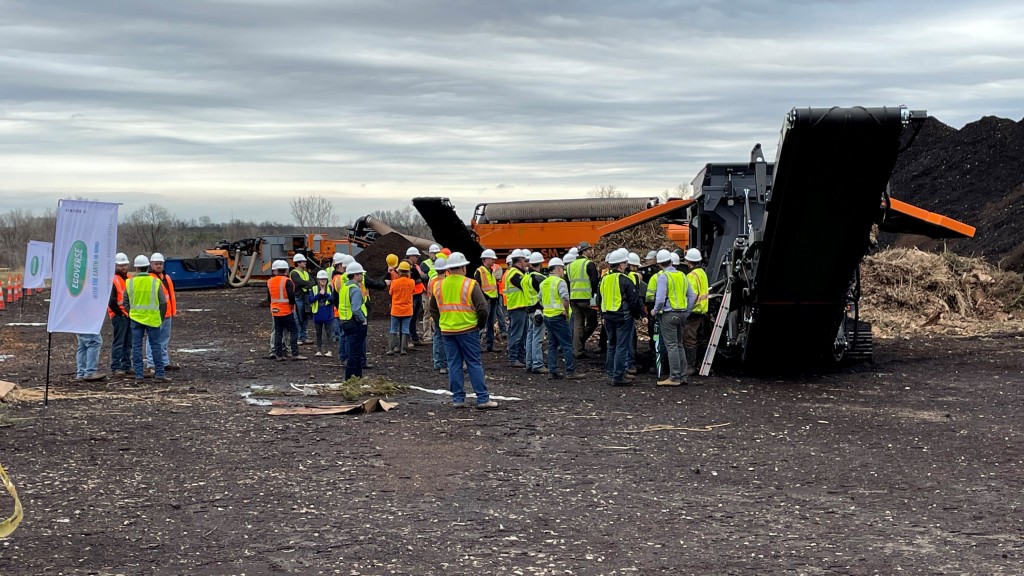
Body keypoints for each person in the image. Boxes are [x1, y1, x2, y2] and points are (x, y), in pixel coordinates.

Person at [426, 252, 497, 409]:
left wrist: (442, 323)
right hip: (468, 330)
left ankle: (458, 399)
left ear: (448, 269)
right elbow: (483, 308)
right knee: (473, 363)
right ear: (464, 267)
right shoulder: (470, 284)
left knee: (454, 364)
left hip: (447, 332)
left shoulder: (438, 285)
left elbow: (433, 308)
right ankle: (482, 398)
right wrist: (480, 325)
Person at [596, 248, 644, 386]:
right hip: (622, 317)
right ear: (621, 265)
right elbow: (634, 300)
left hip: (608, 316)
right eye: (625, 263)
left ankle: (612, 372)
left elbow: (600, 299)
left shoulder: (605, 279)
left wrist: (602, 315)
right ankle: (618, 376)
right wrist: (638, 315)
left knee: (612, 345)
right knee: (621, 346)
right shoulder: (625, 279)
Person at [652, 249, 697, 386]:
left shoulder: (663, 277)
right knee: (679, 345)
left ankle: (674, 377)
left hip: (669, 314)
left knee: (671, 346)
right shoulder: (682, 275)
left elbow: (660, 299)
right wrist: (687, 311)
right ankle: (682, 376)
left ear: (659, 264)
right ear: (671, 261)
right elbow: (692, 296)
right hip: (682, 314)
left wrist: (655, 310)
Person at [124, 255, 168, 382]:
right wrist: (160, 317)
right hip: (153, 320)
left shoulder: (129, 282)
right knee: (156, 346)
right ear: (148, 266)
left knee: (136, 347)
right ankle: (159, 374)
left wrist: (131, 314)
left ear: (136, 268)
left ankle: (139, 375)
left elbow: (125, 302)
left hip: (136, 319)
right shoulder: (155, 282)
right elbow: (163, 302)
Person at [539, 258, 584, 380]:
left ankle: (552, 371)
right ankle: (570, 371)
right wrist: (566, 311)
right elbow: (565, 298)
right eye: (562, 269)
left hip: (548, 316)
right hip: (558, 316)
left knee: (552, 345)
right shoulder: (560, 282)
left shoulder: (544, 282)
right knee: (567, 345)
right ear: (558, 269)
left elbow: (540, 299)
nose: (563, 272)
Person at [145, 253, 179, 373]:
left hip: (167, 313)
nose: (159, 266)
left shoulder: (167, 277)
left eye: (160, 264)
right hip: (156, 314)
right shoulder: (149, 278)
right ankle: (151, 363)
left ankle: (164, 362)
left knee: (164, 340)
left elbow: (170, 296)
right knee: (152, 339)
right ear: (151, 264)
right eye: (156, 264)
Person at [268, 259, 308, 361]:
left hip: (275, 311)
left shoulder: (270, 281)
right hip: (286, 311)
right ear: (286, 270)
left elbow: (269, 298)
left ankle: (279, 354)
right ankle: (295, 353)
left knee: (278, 332)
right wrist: (291, 306)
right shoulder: (287, 281)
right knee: (294, 331)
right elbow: (291, 296)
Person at [335, 262, 368, 380]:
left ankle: (357, 377)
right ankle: (350, 378)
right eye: (360, 274)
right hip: (354, 323)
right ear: (355, 275)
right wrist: (363, 320)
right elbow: (356, 309)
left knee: (354, 351)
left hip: (345, 321)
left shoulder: (345, 287)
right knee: (355, 353)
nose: (362, 276)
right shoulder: (355, 289)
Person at [568, 241, 600, 358]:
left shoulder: (570, 265)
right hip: (585, 299)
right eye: (589, 250)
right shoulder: (588, 264)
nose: (591, 251)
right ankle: (580, 344)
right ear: (584, 251)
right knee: (592, 323)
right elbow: (594, 282)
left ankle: (577, 350)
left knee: (578, 324)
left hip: (573, 299)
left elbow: (567, 282)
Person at [683, 248, 710, 374]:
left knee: (690, 339)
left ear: (688, 261)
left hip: (693, 312)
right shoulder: (702, 273)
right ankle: (701, 364)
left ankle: (690, 366)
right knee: (701, 339)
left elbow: (692, 296)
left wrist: (686, 312)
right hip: (702, 311)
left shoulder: (691, 276)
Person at [503, 249, 530, 368]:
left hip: (520, 306)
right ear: (520, 261)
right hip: (517, 307)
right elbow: (526, 286)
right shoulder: (514, 274)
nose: (526, 263)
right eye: (525, 261)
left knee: (522, 334)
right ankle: (513, 358)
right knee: (517, 334)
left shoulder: (515, 272)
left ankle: (520, 357)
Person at [107, 252, 132, 377]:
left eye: (125, 265)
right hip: (119, 315)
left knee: (128, 342)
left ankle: (126, 365)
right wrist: (120, 313)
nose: (124, 268)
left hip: (129, 315)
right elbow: (111, 301)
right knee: (119, 342)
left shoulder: (129, 279)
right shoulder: (113, 280)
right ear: (115, 266)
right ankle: (116, 367)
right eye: (121, 266)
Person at [523, 252, 548, 374]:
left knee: (530, 337)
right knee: (537, 338)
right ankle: (537, 364)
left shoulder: (526, 277)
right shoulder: (540, 278)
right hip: (539, 311)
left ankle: (529, 363)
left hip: (529, 310)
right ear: (541, 263)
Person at [474, 249, 501, 352]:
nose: (494, 260)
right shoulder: (480, 271)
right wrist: (485, 298)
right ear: (485, 259)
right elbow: (477, 287)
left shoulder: (491, 271)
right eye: (492, 258)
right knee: (482, 323)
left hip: (493, 300)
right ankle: (478, 345)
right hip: (486, 301)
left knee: (490, 324)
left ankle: (490, 345)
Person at [426, 256, 449, 373]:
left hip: (435, 312)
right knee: (446, 339)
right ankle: (444, 364)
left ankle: (437, 362)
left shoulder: (432, 281)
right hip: (446, 313)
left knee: (437, 337)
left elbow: (430, 298)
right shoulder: (446, 282)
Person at [388, 261, 416, 356]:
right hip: (407, 310)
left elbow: (390, 293)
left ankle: (391, 349)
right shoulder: (412, 282)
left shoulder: (394, 282)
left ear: (399, 271)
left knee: (393, 329)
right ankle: (403, 349)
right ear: (408, 272)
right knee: (405, 329)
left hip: (396, 309)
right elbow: (413, 291)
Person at [308, 270, 335, 357]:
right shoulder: (314, 289)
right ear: (318, 280)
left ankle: (329, 351)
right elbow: (310, 300)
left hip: (328, 314)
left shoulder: (330, 288)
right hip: (318, 314)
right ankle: (319, 350)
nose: (323, 281)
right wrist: (319, 295)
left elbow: (333, 299)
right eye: (321, 279)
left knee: (329, 333)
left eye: (325, 279)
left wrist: (326, 294)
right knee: (318, 333)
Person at [290, 253, 313, 345]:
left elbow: (312, 282)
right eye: (303, 261)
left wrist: (306, 284)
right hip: (298, 297)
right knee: (298, 318)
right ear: (298, 263)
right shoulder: (294, 273)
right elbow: (299, 282)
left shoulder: (305, 273)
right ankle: (299, 337)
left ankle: (303, 336)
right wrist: (307, 284)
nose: (305, 263)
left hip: (305, 297)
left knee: (305, 317)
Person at [406, 247, 427, 345]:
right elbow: (419, 278)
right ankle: (409, 338)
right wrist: (420, 277)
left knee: (414, 317)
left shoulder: (416, 266)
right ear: (411, 256)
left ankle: (414, 337)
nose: (417, 258)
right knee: (410, 317)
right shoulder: (406, 267)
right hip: (412, 294)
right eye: (416, 256)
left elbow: (421, 277)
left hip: (418, 293)